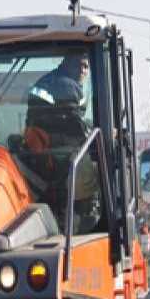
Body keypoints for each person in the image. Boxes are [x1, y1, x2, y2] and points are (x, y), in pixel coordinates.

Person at [23, 52, 98, 231]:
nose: (83, 71)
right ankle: (84, 217)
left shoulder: (50, 81)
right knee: (93, 171)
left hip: (44, 151)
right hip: (55, 155)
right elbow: (75, 126)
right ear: (67, 64)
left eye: (86, 67)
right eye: (79, 65)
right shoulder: (67, 86)